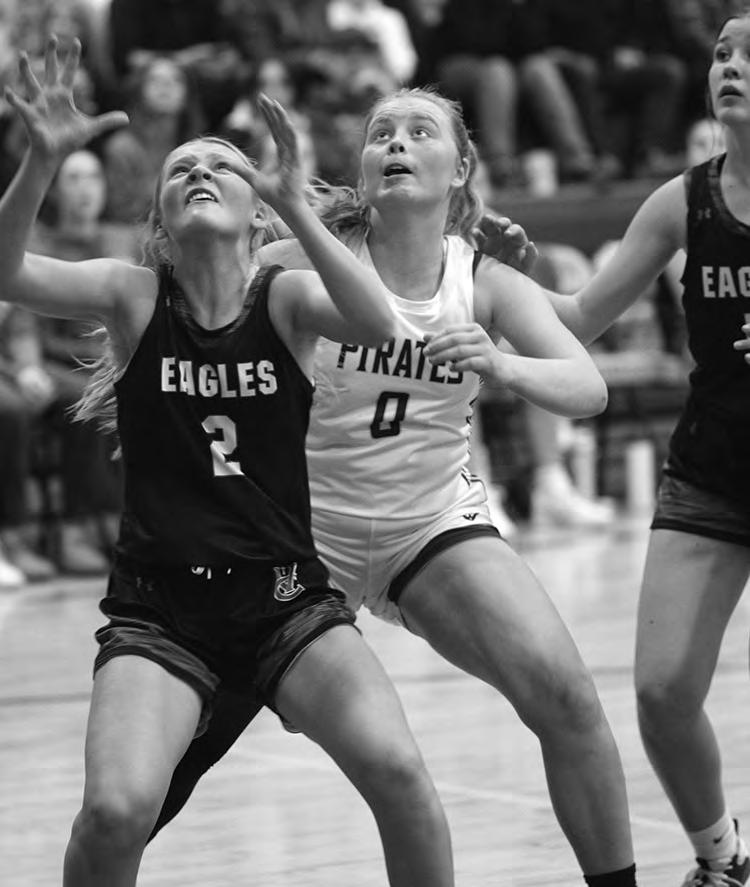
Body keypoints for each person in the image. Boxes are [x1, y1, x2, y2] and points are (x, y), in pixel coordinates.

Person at [154, 85, 640, 887]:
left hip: (430, 527)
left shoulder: (483, 280)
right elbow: (189, 305)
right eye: (381, 133)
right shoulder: (300, 262)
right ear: (364, 169)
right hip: (300, 540)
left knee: (567, 695)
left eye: (420, 132)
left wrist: (501, 362)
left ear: (460, 170)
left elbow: (587, 387)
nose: (397, 143)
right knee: (174, 755)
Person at [0, 37, 455, 887]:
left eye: (222, 163)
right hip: (161, 609)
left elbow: (382, 324)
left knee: (400, 772)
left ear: (256, 212)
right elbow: (7, 272)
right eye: (182, 168)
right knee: (115, 813)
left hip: (285, 600)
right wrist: (40, 161)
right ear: (160, 223)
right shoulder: (135, 297)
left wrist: (299, 207)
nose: (201, 170)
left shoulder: (285, 300)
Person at [526, 13, 750, 885]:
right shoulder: (681, 202)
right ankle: (722, 858)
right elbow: (583, 317)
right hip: (713, 472)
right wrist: (492, 276)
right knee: (660, 692)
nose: (730, 66)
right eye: (722, 54)